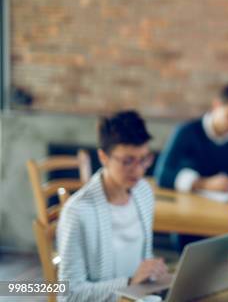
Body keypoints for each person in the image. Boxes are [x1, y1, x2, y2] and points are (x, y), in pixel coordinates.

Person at [57, 111, 168, 302]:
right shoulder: (78, 212)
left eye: (144, 159)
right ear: (103, 157)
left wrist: (153, 272)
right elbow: (69, 294)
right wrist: (129, 281)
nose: (138, 170)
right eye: (127, 161)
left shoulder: (143, 192)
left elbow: (144, 256)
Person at [155, 83, 228, 196]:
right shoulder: (187, 131)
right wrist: (203, 184)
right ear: (216, 105)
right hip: (193, 204)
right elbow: (162, 174)